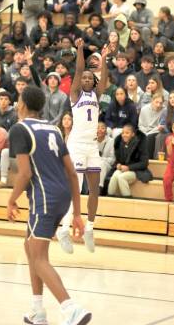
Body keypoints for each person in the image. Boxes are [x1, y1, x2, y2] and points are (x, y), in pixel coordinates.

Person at [7, 85, 90, 325]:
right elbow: (72, 174)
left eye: (18, 100)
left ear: (22, 104)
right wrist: (76, 213)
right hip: (62, 195)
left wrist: (11, 199)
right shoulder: (53, 129)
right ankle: (37, 310)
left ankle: (70, 308)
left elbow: (24, 173)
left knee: (39, 258)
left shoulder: (19, 129)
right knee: (30, 246)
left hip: (44, 197)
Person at [57, 39, 110, 254]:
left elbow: (104, 79)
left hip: (91, 146)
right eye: (84, 78)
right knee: (76, 191)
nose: (87, 79)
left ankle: (90, 227)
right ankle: (63, 229)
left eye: (90, 78)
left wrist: (104, 60)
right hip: (77, 145)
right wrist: (80, 49)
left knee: (94, 189)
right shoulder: (75, 95)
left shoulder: (97, 95)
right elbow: (79, 69)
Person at [107, 124, 152, 197]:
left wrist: (129, 168)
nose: (124, 135)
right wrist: (118, 165)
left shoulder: (140, 144)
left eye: (127, 133)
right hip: (124, 169)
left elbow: (144, 163)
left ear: (133, 134)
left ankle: (128, 199)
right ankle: (109, 198)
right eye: (123, 133)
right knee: (114, 176)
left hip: (137, 171)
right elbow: (118, 161)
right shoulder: (120, 143)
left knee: (121, 177)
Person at [139, 93, 165, 159]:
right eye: (156, 102)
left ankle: (148, 159)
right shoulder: (144, 109)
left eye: (161, 103)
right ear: (152, 101)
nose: (158, 105)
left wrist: (149, 133)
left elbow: (161, 126)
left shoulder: (164, 110)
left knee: (150, 137)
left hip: (156, 131)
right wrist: (145, 132)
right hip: (145, 131)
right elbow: (140, 125)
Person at [96, 121, 115, 195]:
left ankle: (99, 188)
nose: (100, 130)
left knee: (102, 164)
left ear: (106, 130)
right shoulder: (91, 141)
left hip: (106, 165)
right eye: (98, 128)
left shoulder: (111, 141)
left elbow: (112, 159)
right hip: (93, 163)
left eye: (102, 128)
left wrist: (101, 159)